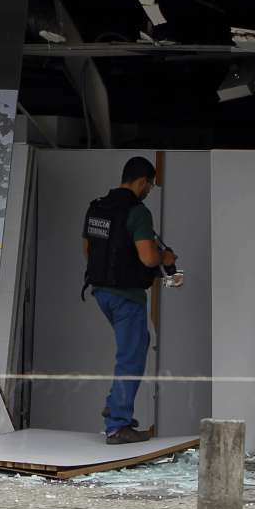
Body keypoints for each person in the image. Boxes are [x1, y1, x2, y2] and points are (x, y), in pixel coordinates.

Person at [82, 156, 178, 445]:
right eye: (149, 184)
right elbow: (148, 256)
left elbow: (89, 250)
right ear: (141, 181)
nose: (149, 190)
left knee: (133, 346)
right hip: (127, 296)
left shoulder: (97, 208)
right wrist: (167, 258)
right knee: (132, 355)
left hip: (101, 292)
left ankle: (115, 404)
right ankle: (117, 426)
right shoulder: (138, 212)